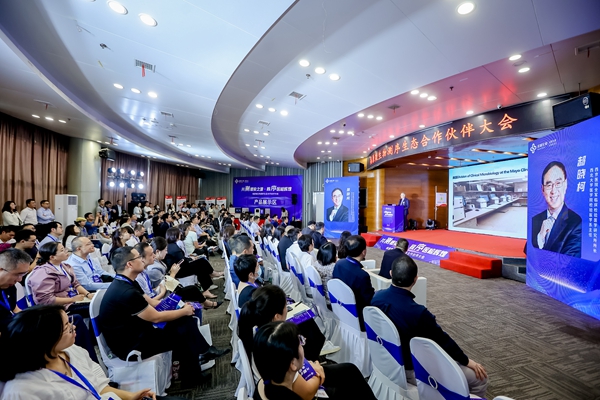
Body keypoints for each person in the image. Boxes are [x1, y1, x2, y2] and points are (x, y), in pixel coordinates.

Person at [98, 247, 229, 388]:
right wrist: (184, 311)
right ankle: (196, 366)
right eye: (138, 258)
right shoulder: (126, 292)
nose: (142, 260)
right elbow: (156, 318)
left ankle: (198, 362)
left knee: (183, 322)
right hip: (130, 345)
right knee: (181, 331)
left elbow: (153, 304)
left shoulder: (127, 282)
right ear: (129, 264)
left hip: (137, 330)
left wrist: (180, 309)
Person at [371, 255, 489, 397]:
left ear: (391, 274)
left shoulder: (376, 298)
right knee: (479, 378)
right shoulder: (418, 313)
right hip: (412, 369)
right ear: (415, 280)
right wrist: (467, 361)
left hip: (386, 357)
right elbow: (443, 341)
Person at [0, 305, 168, 400]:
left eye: (70, 321)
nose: (74, 327)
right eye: (67, 327)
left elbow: (99, 387)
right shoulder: (22, 390)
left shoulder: (72, 351)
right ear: (47, 340)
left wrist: (131, 396)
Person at [253, 321, 376, 400]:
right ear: (292, 364)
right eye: (300, 342)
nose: (303, 343)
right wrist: (315, 372)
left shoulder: (265, 382)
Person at [238, 285, 325, 367]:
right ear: (277, 316)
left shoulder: (258, 335)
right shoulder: (280, 345)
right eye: (285, 306)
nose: (287, 309)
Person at [145, 237, 221, 309]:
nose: (167, 252)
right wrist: (173, 273)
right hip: (166, 297)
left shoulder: (158, 262)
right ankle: (207, 303)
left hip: (169, 290)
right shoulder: (154, 269)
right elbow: (164, 288)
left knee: (192, 289)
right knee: (192, 289)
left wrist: (171, 273)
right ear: (157, 251)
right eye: (165, 250)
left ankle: (207, 303)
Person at [531, 161, 582, 257]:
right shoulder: (535, 219)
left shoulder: (576, 222)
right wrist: (540, 237)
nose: (553, 191)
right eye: (549, 185)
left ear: (565, 184)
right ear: (542, 189)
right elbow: (527, 250)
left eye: (558, 183)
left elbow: (568, 261)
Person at [164, 227, 222, 299]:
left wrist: (191, 259)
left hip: (179, 267)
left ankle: (210, 278)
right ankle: (207, 286)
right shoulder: (174, 248)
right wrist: (192, 259)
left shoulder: (171, 245)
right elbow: (183, 260)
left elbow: (182, 259)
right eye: (179, 233)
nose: (181, 234)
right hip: (179, 270)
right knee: (200, 266)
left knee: (201, 262)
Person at [332, 235, 374, 331]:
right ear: (364, 251)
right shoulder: (362, 275)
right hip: (358, 318)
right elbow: (369, 301)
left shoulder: (339, 264)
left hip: (340, 309)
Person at [0, 249, 32, 331]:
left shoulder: (10, 286)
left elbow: (14, 309)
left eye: (23, 274)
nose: (20, 279)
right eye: (18, 274)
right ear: (1, 269)